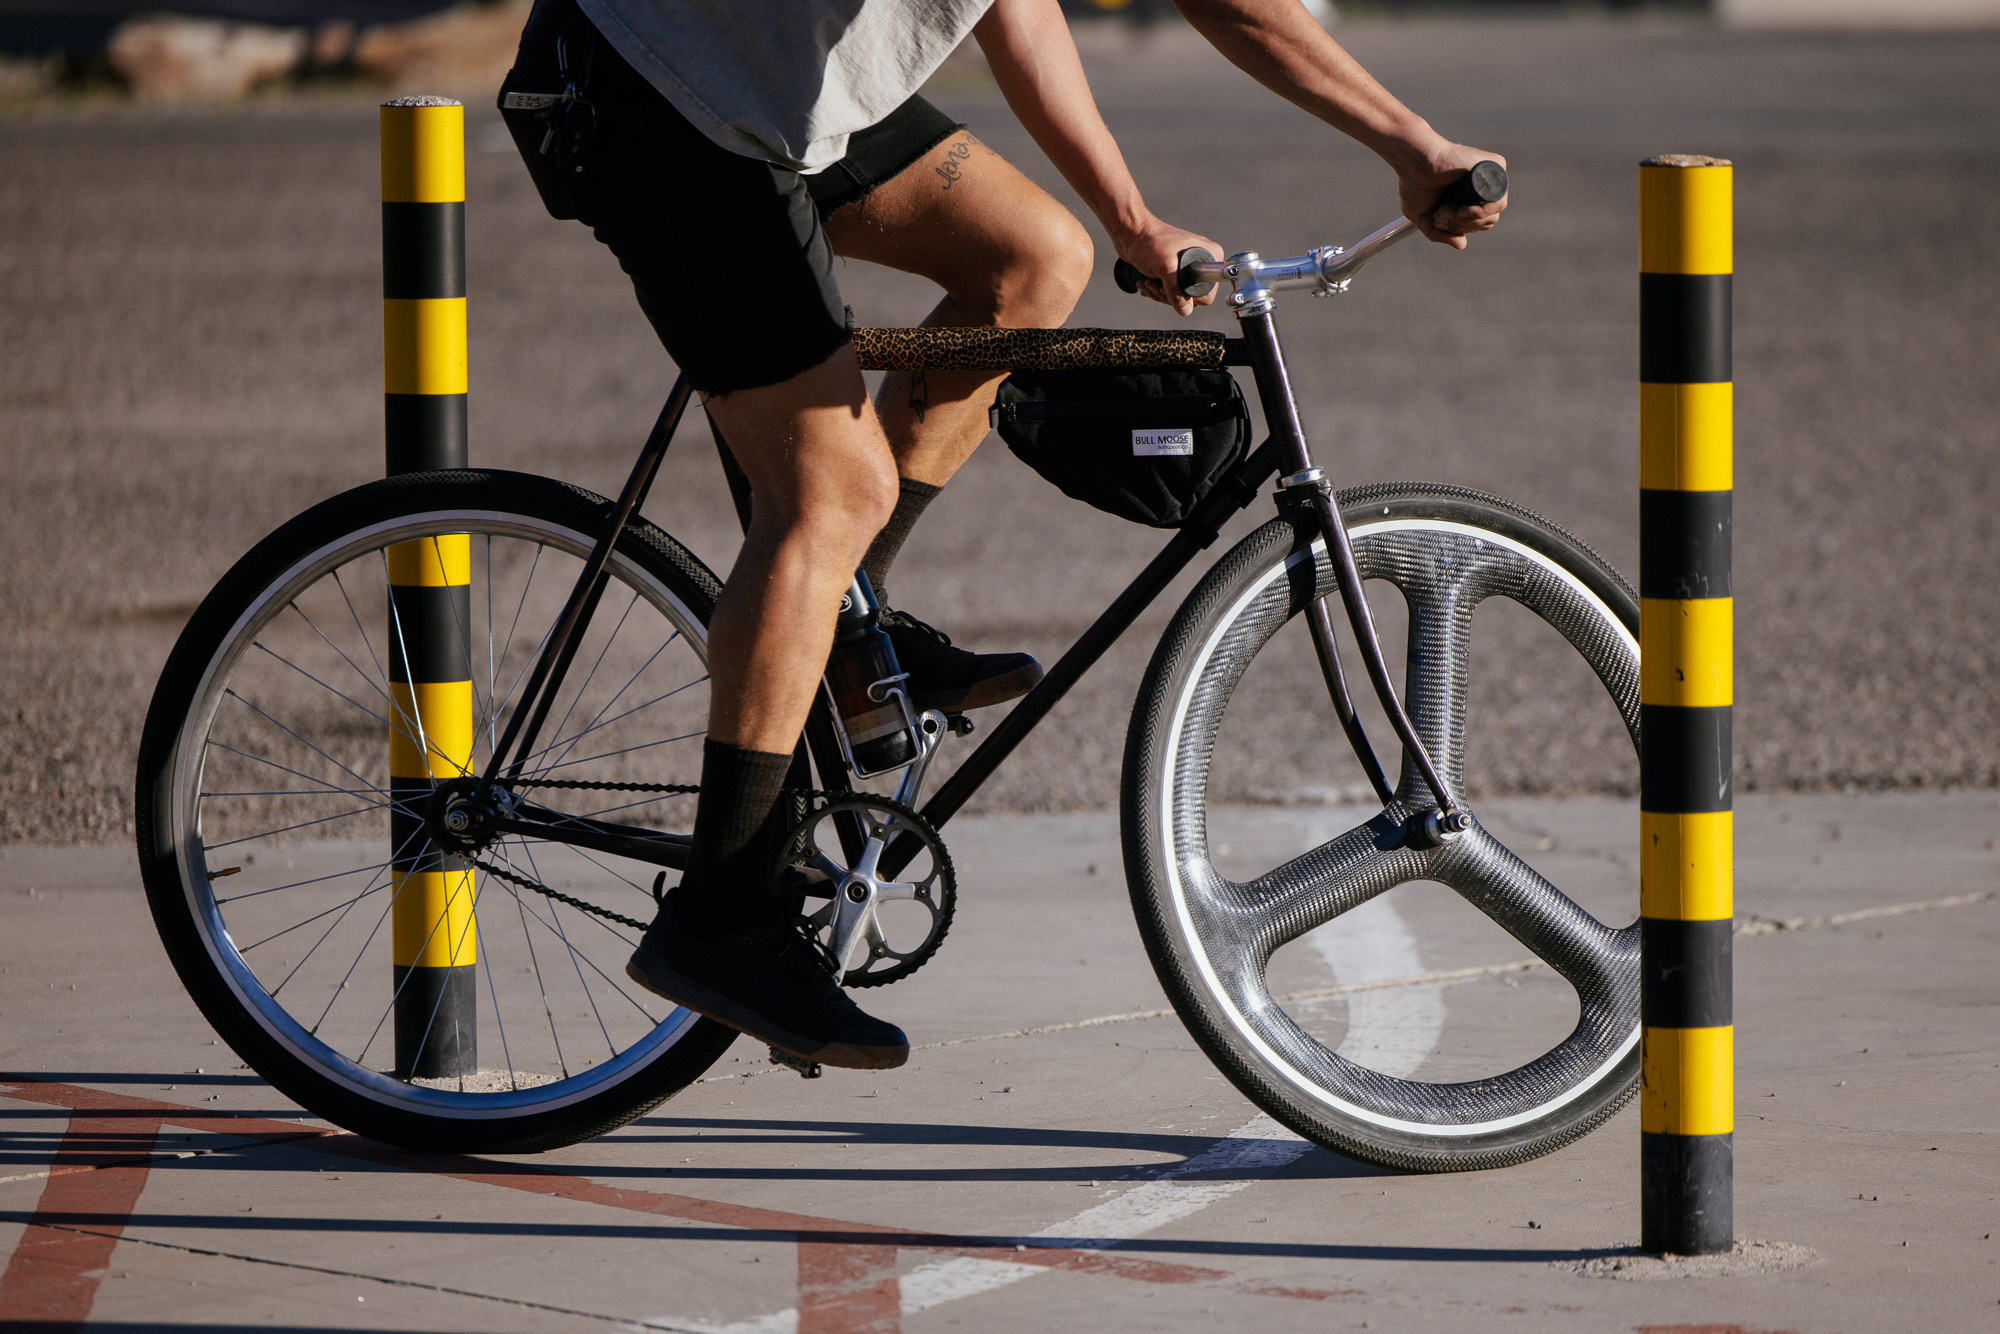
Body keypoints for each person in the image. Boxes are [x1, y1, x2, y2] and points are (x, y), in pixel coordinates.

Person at [499, 0, 1505, 1074]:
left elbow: (1011, 8)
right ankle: (723, 915)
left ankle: (845, 641)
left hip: (762, 96)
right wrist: (1413, 144)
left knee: (1030, 259)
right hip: (647, 92)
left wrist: (1128, 222)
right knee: (830, 494)